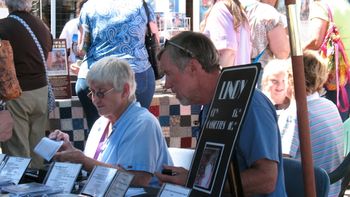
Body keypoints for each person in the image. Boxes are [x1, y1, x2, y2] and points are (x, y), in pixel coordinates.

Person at [155, 31, 286, 196]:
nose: (166, 85)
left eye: (169, 74)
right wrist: (193, 178)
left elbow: (266, 180)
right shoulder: (210, 105)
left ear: (192, 67)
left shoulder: (250, 103)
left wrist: (194, 180)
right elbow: (214, 176)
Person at [49, 56, 173, 187]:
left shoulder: (143, 123)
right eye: (92, 92)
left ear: (125, 91)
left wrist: (82, 161)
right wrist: (69, 151)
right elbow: (95, 167)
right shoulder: (101, 123)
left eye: (101, 93)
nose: (95, 100)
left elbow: (137, 180)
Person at [75, 0, 160, 131]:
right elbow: (156, 39)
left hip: (95, 76)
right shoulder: (142, 5)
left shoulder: (89, 6)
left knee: (99, 133)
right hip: (137, 73)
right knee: (135, 129)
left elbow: (82, 48)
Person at [281, 50, 344, 197]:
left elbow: (281, 166)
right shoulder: (329, 105)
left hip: (310, 190)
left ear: (291, 78)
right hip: (333, 188)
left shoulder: (296, 115)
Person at [0, 0, 53, 169]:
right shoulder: (42, 25)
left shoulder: (4, 27)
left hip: (16, 95)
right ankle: (36, 185)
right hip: (41, 92)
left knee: (17, 150)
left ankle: (19, 190)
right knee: (37, 148)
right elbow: (49, 61)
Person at [304, 0, 350, 121]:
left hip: (338, 77)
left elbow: (315, 41)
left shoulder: (321, 5)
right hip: (344, 74)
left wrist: (294, 53)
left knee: (337, 123)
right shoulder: (344, 3)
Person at [200, 0, 252, 67]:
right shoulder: (236, 10)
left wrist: (221, 77)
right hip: (240, 75)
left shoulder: (220, 10)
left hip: (229, 75)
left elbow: (227, 53)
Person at [59, 0, 87, 73]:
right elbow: (61, 50)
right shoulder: (71, 25)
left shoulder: (71, 24)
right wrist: (68, 64)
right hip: (75, 70)